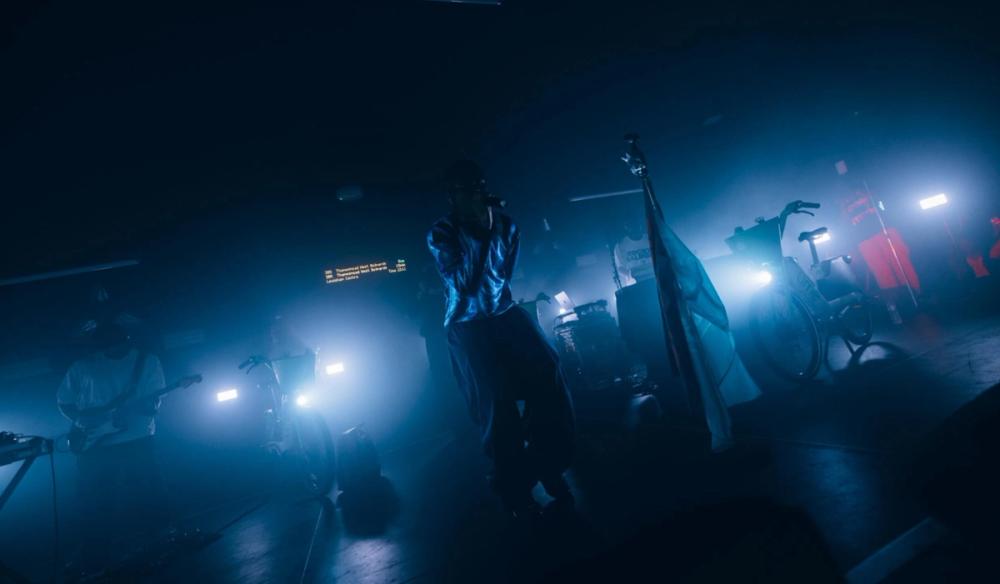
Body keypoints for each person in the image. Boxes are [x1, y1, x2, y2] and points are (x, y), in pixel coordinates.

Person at [427, 160, 575, 518]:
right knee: (495, 400)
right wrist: (483, 230)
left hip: (505, 313)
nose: (477, 193)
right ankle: (513, 487)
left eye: (480, 185)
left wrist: (492, 226)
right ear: (453, 196)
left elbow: (504, 275)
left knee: (548, 371)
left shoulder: (507, 224)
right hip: (467, 323)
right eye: (468, 189)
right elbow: (466, 283)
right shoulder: (442, 233)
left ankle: (549, 464)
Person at [57, 317, 169, 573]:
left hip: (137, 440)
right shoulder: (82, 366)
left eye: (116, 343)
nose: (112, 348)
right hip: (95, 445)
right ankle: (95, 558)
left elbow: (153, 403)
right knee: (94, 503)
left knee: (148, 496)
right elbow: (64, 401)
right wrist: (82, 421)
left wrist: (134, 412)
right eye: (106, 343)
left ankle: (159, 545)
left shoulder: (146, 361)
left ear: (126, 339)